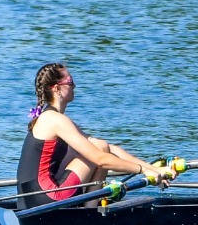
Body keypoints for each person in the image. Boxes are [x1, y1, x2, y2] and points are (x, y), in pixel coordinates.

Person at [20, 62, 167, 207]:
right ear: (57, 88)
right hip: (47, 198)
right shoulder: (55, 119)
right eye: (70, 81)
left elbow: (110, 149)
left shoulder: (50, 117)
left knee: (100, 146)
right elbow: (101, 159)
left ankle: (90, 206)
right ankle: (90, 210)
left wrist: (153, 169)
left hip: (31, 199)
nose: (75, 86)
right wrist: (144, 170)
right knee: (100, 151)